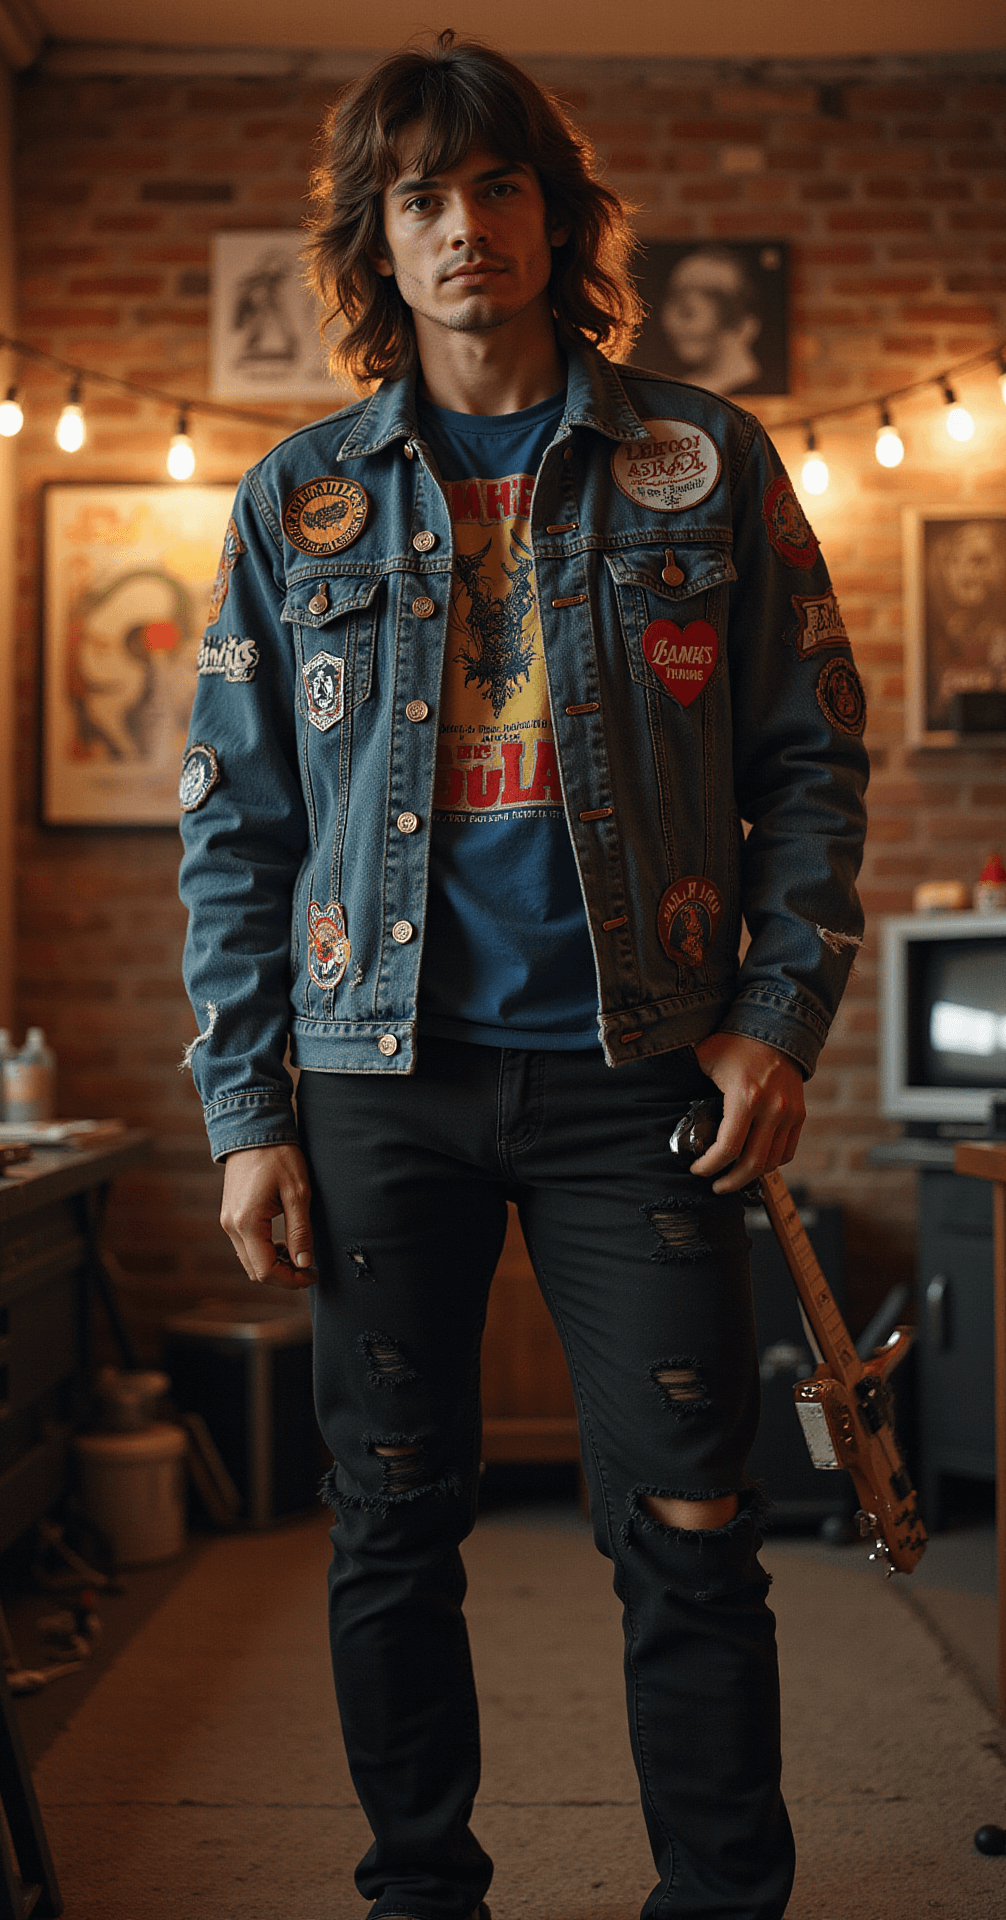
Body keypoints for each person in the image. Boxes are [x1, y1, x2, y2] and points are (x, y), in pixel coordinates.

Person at [179, 32, 868, 1920]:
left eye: (495, 188)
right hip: (372, 1077)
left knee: (691, 1521)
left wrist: (773, 1017)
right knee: (391, 1524)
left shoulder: (697, 459)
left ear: (554, 220)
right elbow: (232, 823)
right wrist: (249, 1115)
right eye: (420, 199)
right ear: (374, 244)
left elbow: (808, 754)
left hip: (630, 1072)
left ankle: (717, 1900)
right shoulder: (295, 498)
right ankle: (421, 1893)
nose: (462, 228)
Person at [657, 246, 763, 395]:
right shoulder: (690, 386)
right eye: (676, 295)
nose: (683, 313)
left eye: (712, 295)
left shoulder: (747, 381)